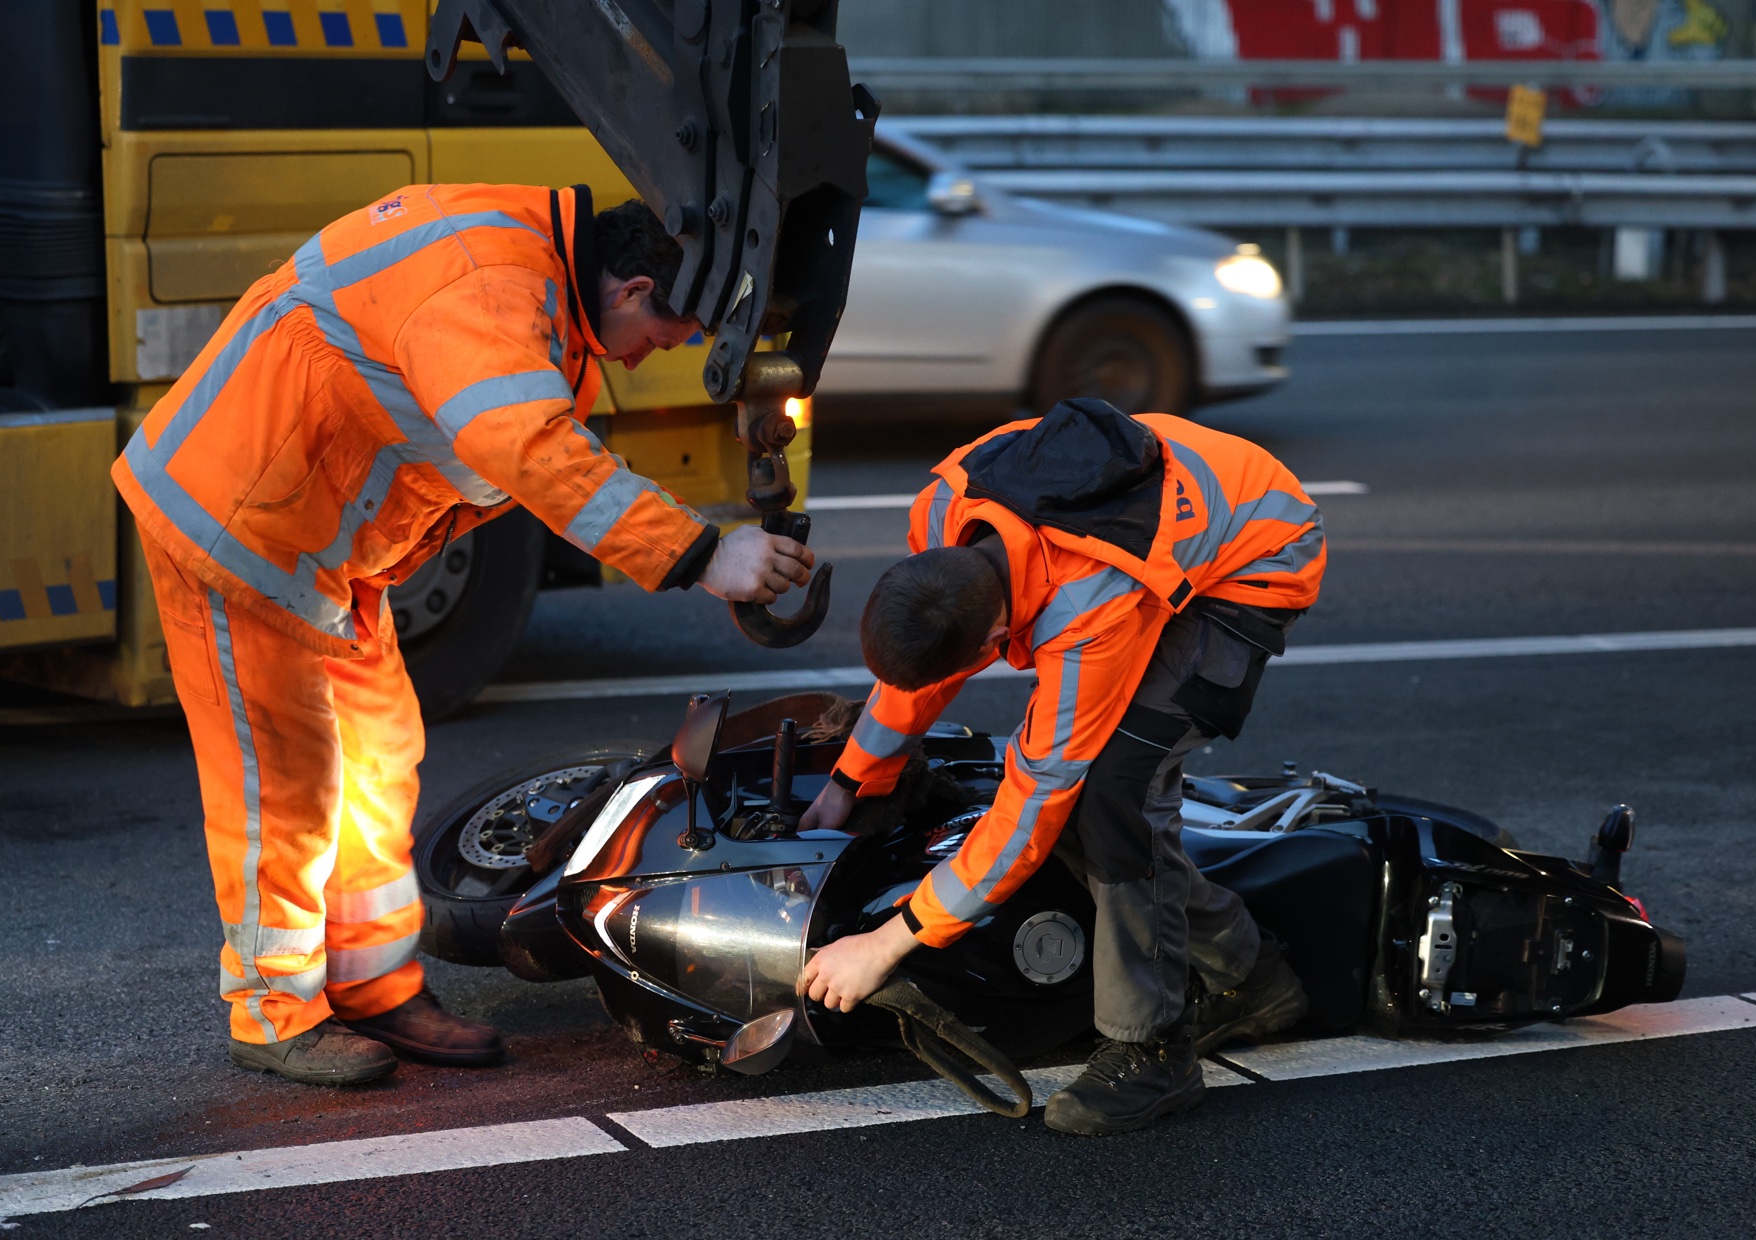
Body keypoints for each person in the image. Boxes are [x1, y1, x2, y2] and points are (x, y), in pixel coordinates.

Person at [114, 185, 813, 1086]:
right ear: (635, 287)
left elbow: (538, 441)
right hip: (237, 532)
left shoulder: (538, 279)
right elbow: (528, 448)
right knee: (283, 785)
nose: (650, 360)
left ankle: (372, 986)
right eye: (666, 338)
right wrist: (699, 554)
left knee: (377, 760)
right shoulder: (490, 279)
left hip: (320, 547)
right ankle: (274, 1013)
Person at [796, 397, 1322, 1136]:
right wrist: (853, 782)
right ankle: (1252, 977)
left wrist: (886, 943)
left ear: (1002, 631)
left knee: (1114, 793)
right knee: (1088, 793)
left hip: (1259, 555)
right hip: (1178, 508)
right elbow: (928, 662)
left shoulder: (1087, 604)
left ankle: (1154, 1053)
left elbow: (1033, 806)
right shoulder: (943, 509)